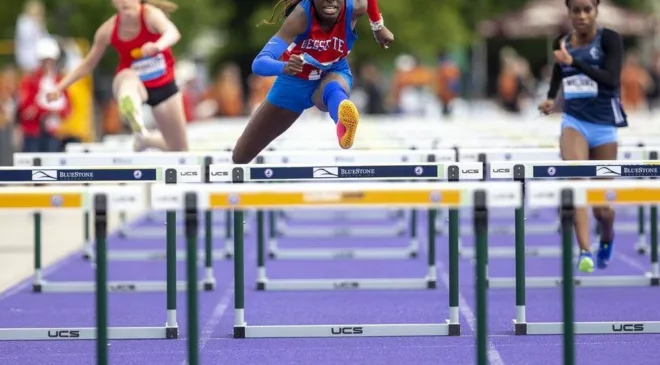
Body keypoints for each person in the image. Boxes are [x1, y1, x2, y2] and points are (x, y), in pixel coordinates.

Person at [231, 0, 394, 164]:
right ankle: (341, 114)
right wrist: (284, 67)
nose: (331, 1)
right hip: (294, 84)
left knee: (333, 87)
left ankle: (343, 121)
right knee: (240, 156)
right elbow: (259, 63)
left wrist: (378, 26)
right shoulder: (300, 18)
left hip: (332, 72)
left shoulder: (355, 8)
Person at [538, 0, 626, 274]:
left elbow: (611, 79)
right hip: (574, 122)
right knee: (576, 185)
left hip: (604, 127)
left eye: (587, 9)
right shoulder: (561, 41)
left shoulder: (610, 39)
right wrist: (551, 98)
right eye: (576, 10)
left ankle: (607, 234)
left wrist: (574, 61)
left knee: (602, 208)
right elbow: (558, 71)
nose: (582, 16)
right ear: (569, 12)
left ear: (596, 10)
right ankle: (584, 251)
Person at [46, 0, 188, 152]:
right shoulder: (107, 30)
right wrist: (60, 87)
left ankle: (146, 139)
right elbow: (88, 63)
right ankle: (133, 114)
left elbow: (173, 32)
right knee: (126, 78)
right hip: (133, 81)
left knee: (179, 148)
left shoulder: (150, 14)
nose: (125, 2)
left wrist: (157, 46)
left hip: (164, 85)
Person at [18, 37, 71, 153]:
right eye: (46, 60)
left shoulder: (58, 80)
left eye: (51, 60)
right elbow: (26, 109)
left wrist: (56, 112)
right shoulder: (31, 80)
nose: (48, 64)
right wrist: (45, 111)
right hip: (33, 133)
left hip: (53, 132)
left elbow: (68, 107)